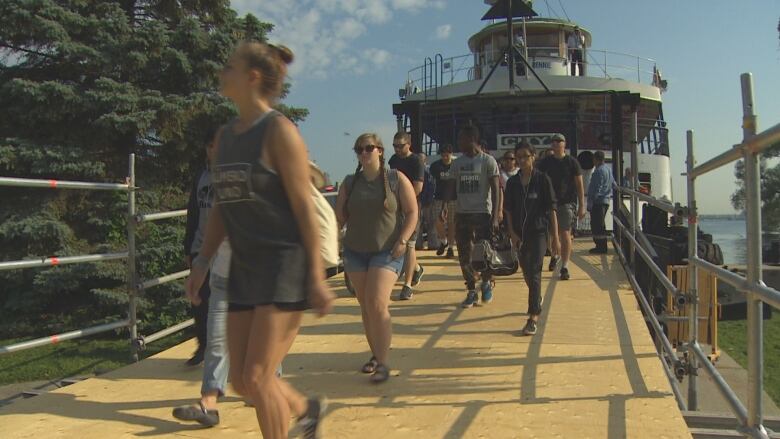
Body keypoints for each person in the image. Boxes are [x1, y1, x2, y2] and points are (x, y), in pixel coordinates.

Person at [185, 41, 335, 439]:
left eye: (229, 66)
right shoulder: (226, 137)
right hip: (244, 268)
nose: (223, 72)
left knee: (259, 375)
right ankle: (307, 409)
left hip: (284, 265)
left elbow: (305, 207)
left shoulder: (279, 131)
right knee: (240, 380)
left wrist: (317, 277)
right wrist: (202, 262)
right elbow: (222, 206)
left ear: (251, 77)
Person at [335, 133, 418, 383]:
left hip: (388, 250)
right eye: (359, 149)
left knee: (377, 302)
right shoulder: (350, 183)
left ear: (380, 151)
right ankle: (375, 353)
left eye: (368, 148)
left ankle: (382, 363)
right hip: (355, 251)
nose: (364, 153)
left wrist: (403, 240)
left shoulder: (396, 179)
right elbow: (339, 218)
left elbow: (412, 211)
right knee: (366, 306)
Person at [504, 142, 560, 335]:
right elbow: (508, 210)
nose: (520, 160)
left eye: (524, 157)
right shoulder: (512, 183)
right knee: (526, 271)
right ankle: (536, 298)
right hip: (519, 233)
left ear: (533, 157)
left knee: (535, 271)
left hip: (538, 232)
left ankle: (533, 317)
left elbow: (551, 208)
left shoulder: (542, 180)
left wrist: (555, 238)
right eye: (518, 157)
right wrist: (511, 233)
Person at [444, 125, 501, 308]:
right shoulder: (457, 163)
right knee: (464, 255)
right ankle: (470, 290)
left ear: (471, 139)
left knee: (482, 253)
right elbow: (451, 187)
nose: (459, 143)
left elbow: (496, 189)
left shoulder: (488, 161)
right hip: (462, 214)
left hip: (482, 213)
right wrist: (444, 206)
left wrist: (494, 216)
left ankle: (486, 282)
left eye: (461, 139)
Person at [182, 128, 219, 366]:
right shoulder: (200, 177)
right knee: (200, 300)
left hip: (227, 249)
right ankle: (203, 345)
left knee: (226, 303)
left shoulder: (233, 176)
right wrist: (188, 248)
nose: (213, 150)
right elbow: (193, 213)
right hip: (200, 246)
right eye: (210, 146)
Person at [537, 133, 585, 281]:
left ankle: (565, 266)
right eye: (554, 141)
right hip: (548, 202)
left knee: (564, 233)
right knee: (551, 233)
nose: (556, 143)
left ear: (564, 144)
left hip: (566, 202)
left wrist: (582, 205)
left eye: (559, 141)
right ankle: (554, 255)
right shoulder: (545, 162)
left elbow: (579, 184)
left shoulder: (572, 162)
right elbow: (537, 179)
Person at [389, 132, 425, 300]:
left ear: (409, 144)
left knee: (409, 245)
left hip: (411, 209)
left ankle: (407, 285)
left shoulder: (416, 161)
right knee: (401, 244)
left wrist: (404, 200)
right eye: (395, 145)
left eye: (400, 145)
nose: (397, 149)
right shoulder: (393, 161)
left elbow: (418, 188)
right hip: (395, 209)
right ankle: (416, 268)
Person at [430, 144, 457, 258]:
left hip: (454, 198)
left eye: (447, 155)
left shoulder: (456, 165)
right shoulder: (435, 166)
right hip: (439, 197)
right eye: (443, 155)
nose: (445, 157)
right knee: (438, 222)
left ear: (451, 154)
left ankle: (450, 247)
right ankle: (443, 241)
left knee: (451, 224)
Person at [587, 151, 614, 254]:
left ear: (596, 159)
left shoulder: (598, 171)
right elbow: (612, 182)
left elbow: (597, 187)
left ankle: (600, 246)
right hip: (606, 200)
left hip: (598, 201)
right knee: (601, 224)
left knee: (596, 225)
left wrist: (591, 201)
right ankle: (602, 245)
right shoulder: (608, 169)